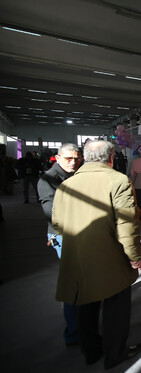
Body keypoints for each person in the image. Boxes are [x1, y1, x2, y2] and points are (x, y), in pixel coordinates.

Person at [52, 140, 141, 369]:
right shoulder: (118, 181)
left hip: (77, 256)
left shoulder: (66, 185)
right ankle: (115, 353)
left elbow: (57, 223)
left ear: (85, 158)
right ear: (111, 158)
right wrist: (134, 256)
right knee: (116, 308)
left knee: (86, 304)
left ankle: (91, 351)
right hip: (110, 257)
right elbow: (127, 224)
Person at [37, 143, 83, 348]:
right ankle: (74, 333)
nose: (73, 162)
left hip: (80, 233)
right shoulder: (48, 179)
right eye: (68, 159)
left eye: (77, 158)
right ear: (57, 157)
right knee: (72, 284)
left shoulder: (77, 174)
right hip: (63, 235)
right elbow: (51, 211)